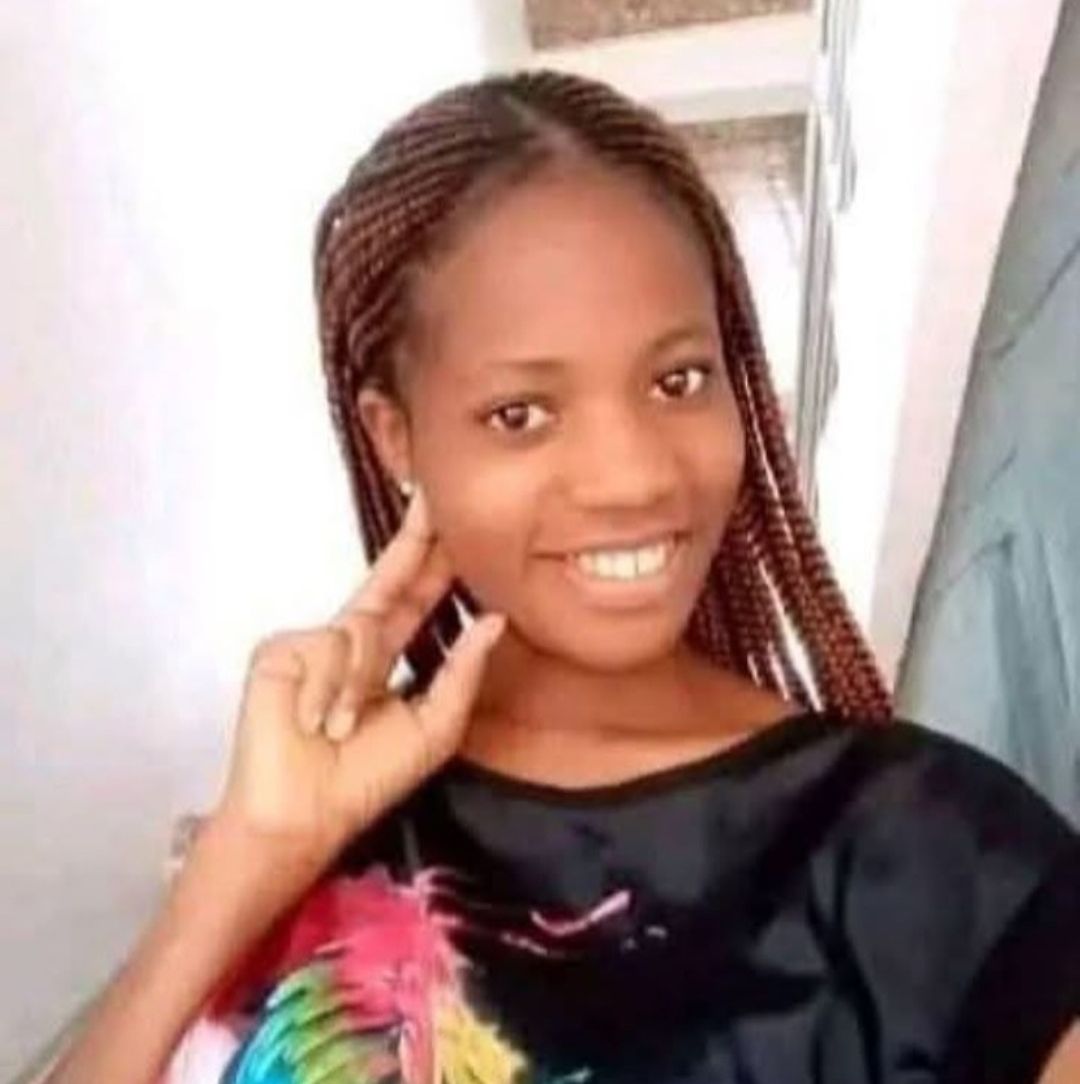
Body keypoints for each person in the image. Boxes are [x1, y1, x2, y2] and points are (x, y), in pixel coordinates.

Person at [46, 69, 1080, 1084]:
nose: (634, 477)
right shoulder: (299, 833)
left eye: (678, 380)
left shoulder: (942, 857)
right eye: (521, 414)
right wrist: (242, 861)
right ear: (396, 436)